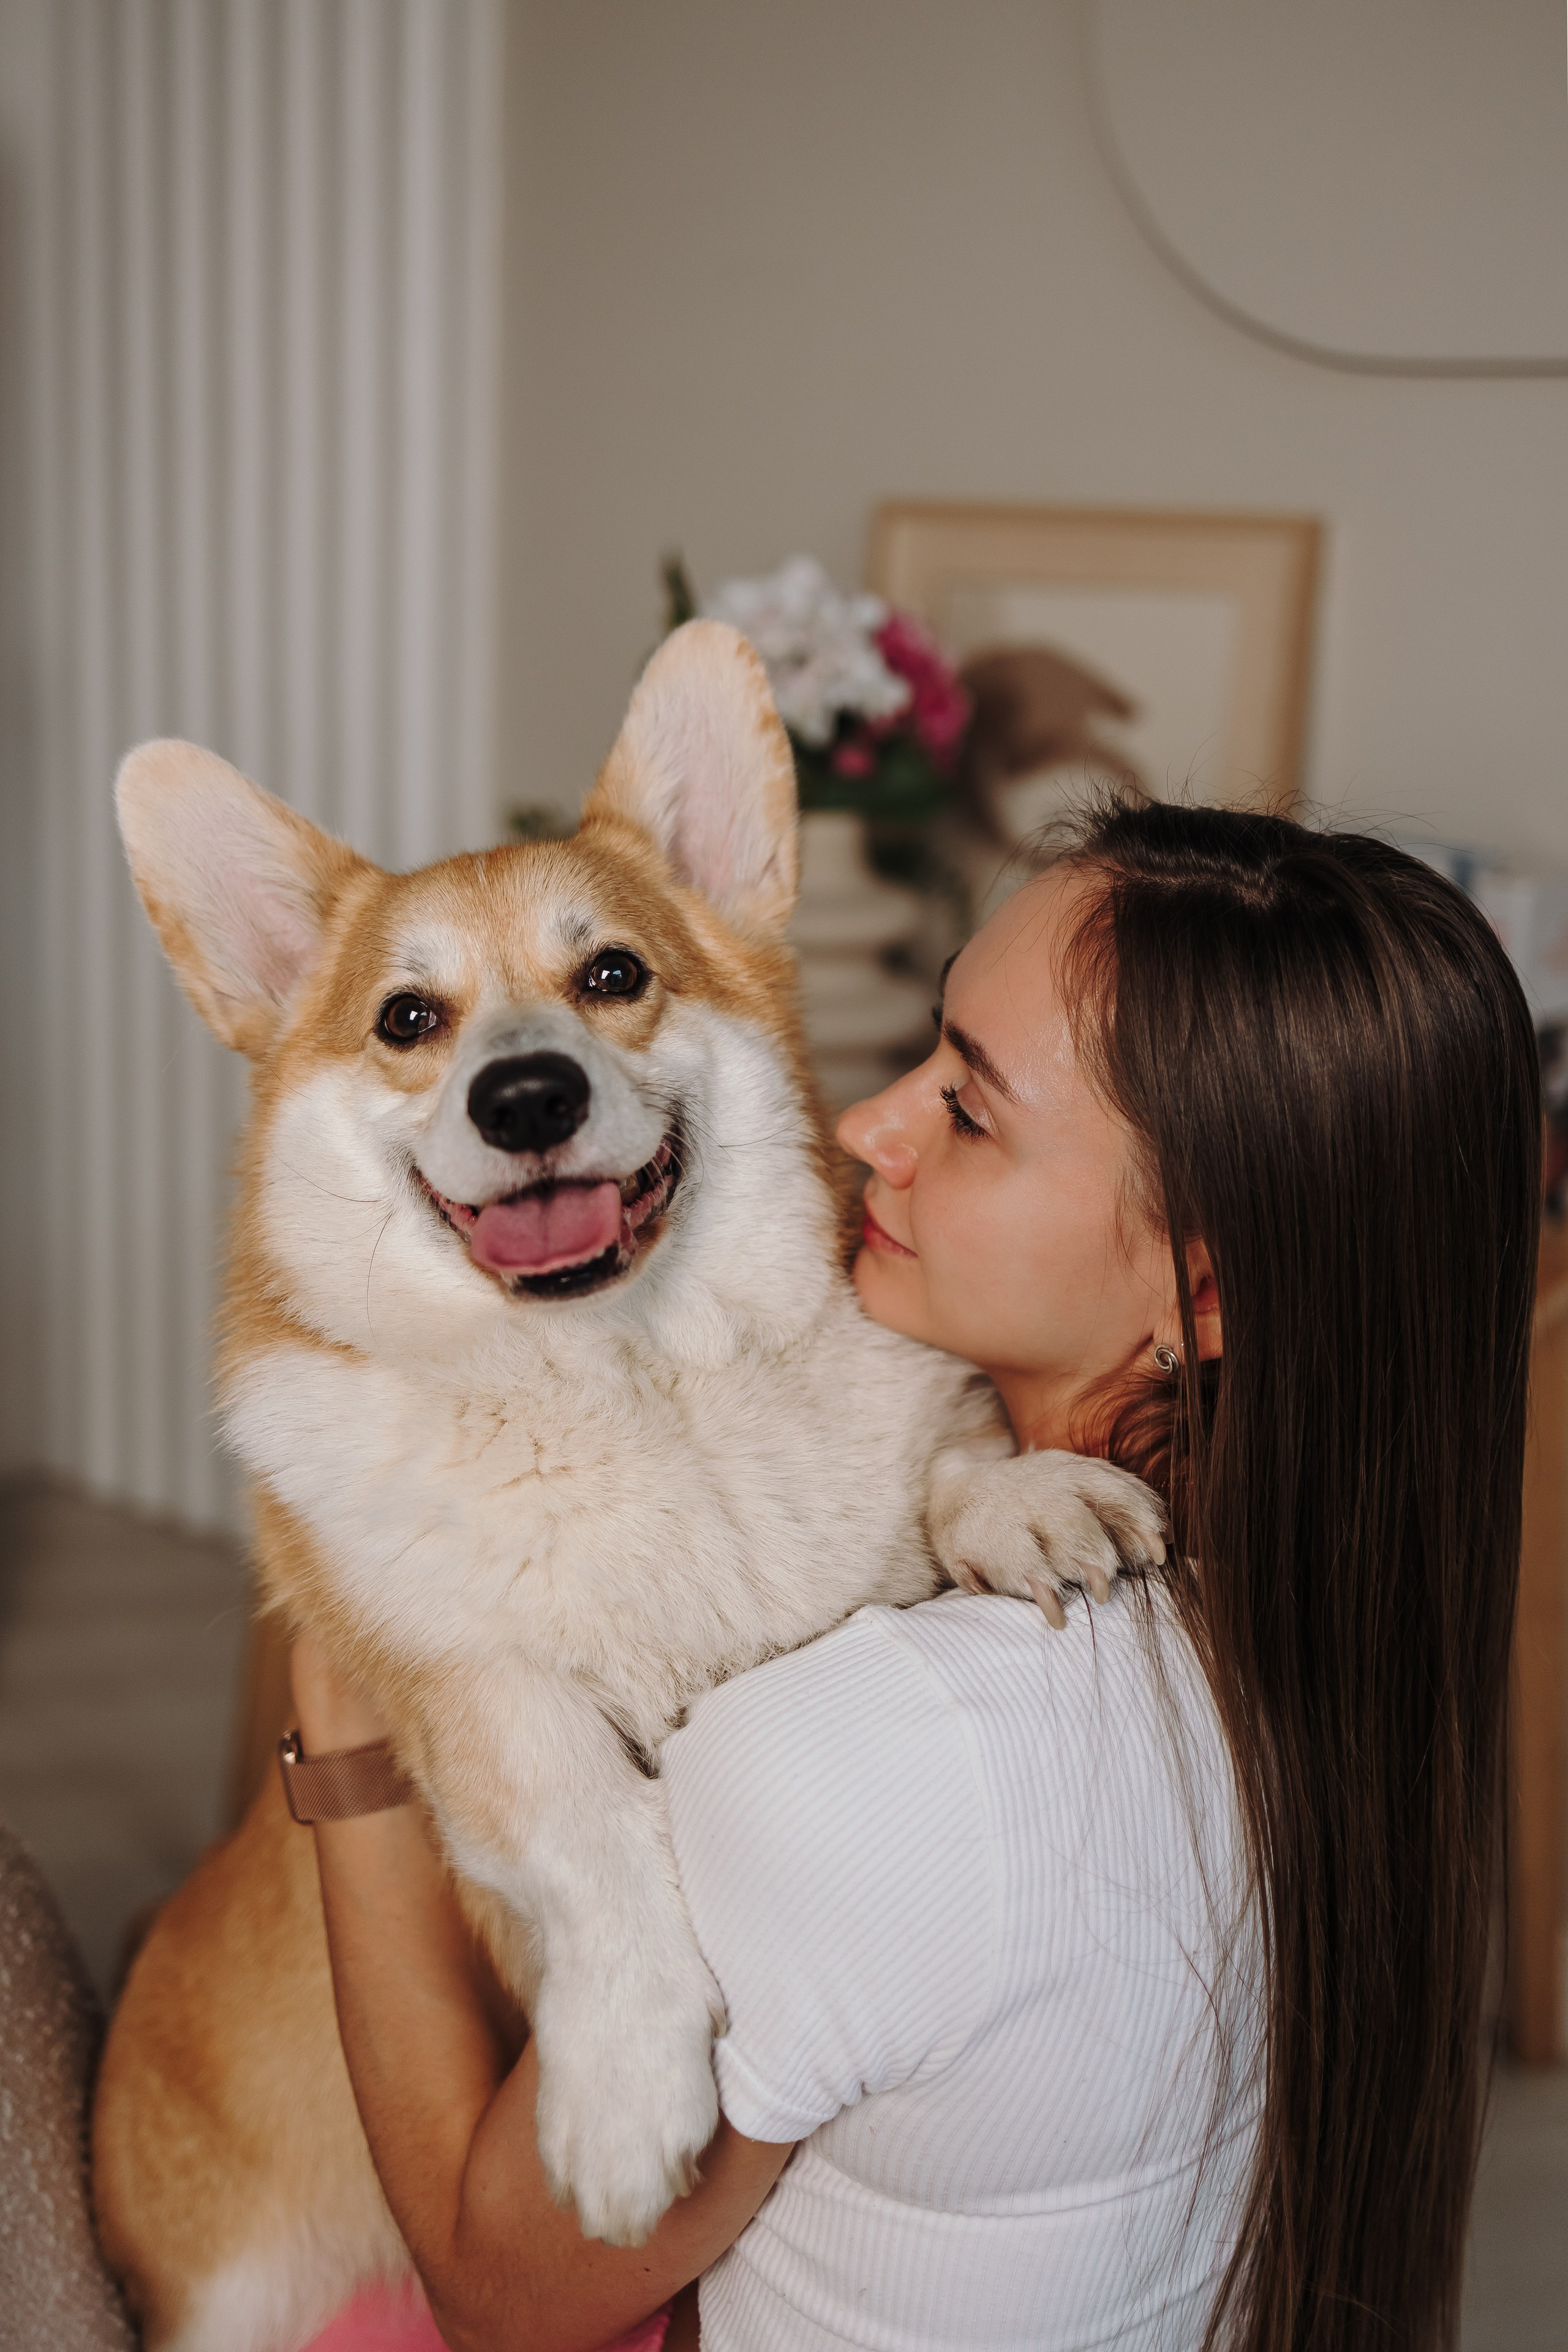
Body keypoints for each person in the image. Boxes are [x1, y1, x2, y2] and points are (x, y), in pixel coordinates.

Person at [288, 797, 1539, 2352]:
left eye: (968, 1110)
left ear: (1198, 1283)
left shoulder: (861, 1764)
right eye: (930, 1054)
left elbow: (496, 2289)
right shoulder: (1316, 1630)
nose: (866, 1117)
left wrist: (344, 1743)